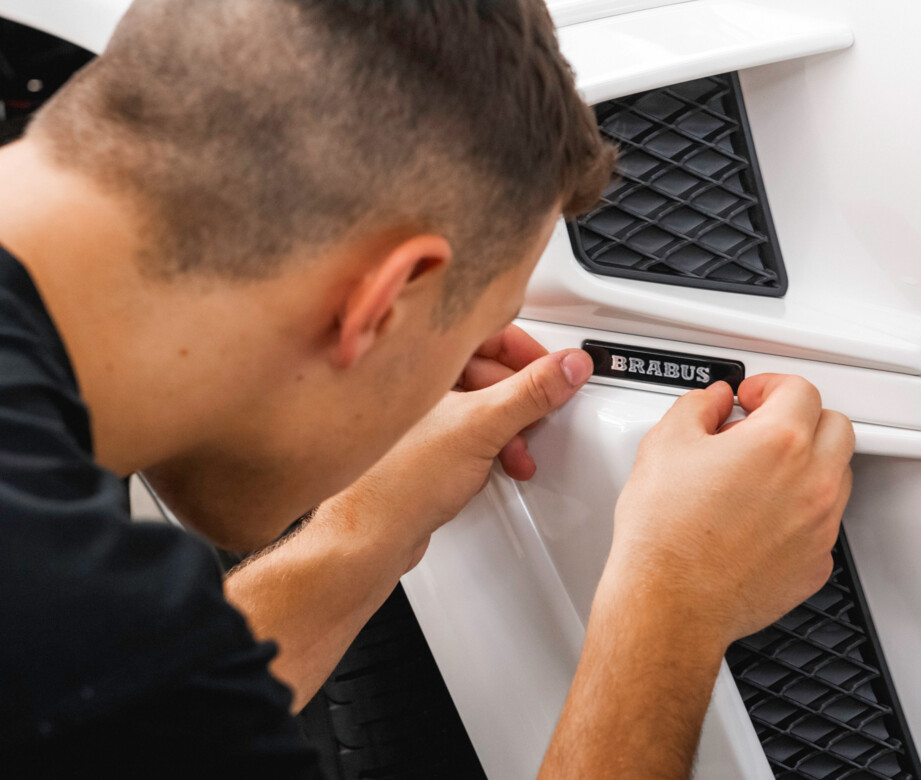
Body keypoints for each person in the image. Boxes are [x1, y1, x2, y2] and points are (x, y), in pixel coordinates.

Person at [0, 0, 854, 777]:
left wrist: (366, 529)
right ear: (382, 302)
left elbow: (116, 718)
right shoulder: (47, 585)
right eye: (454, 346)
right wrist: (670, 608)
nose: (442, 387)